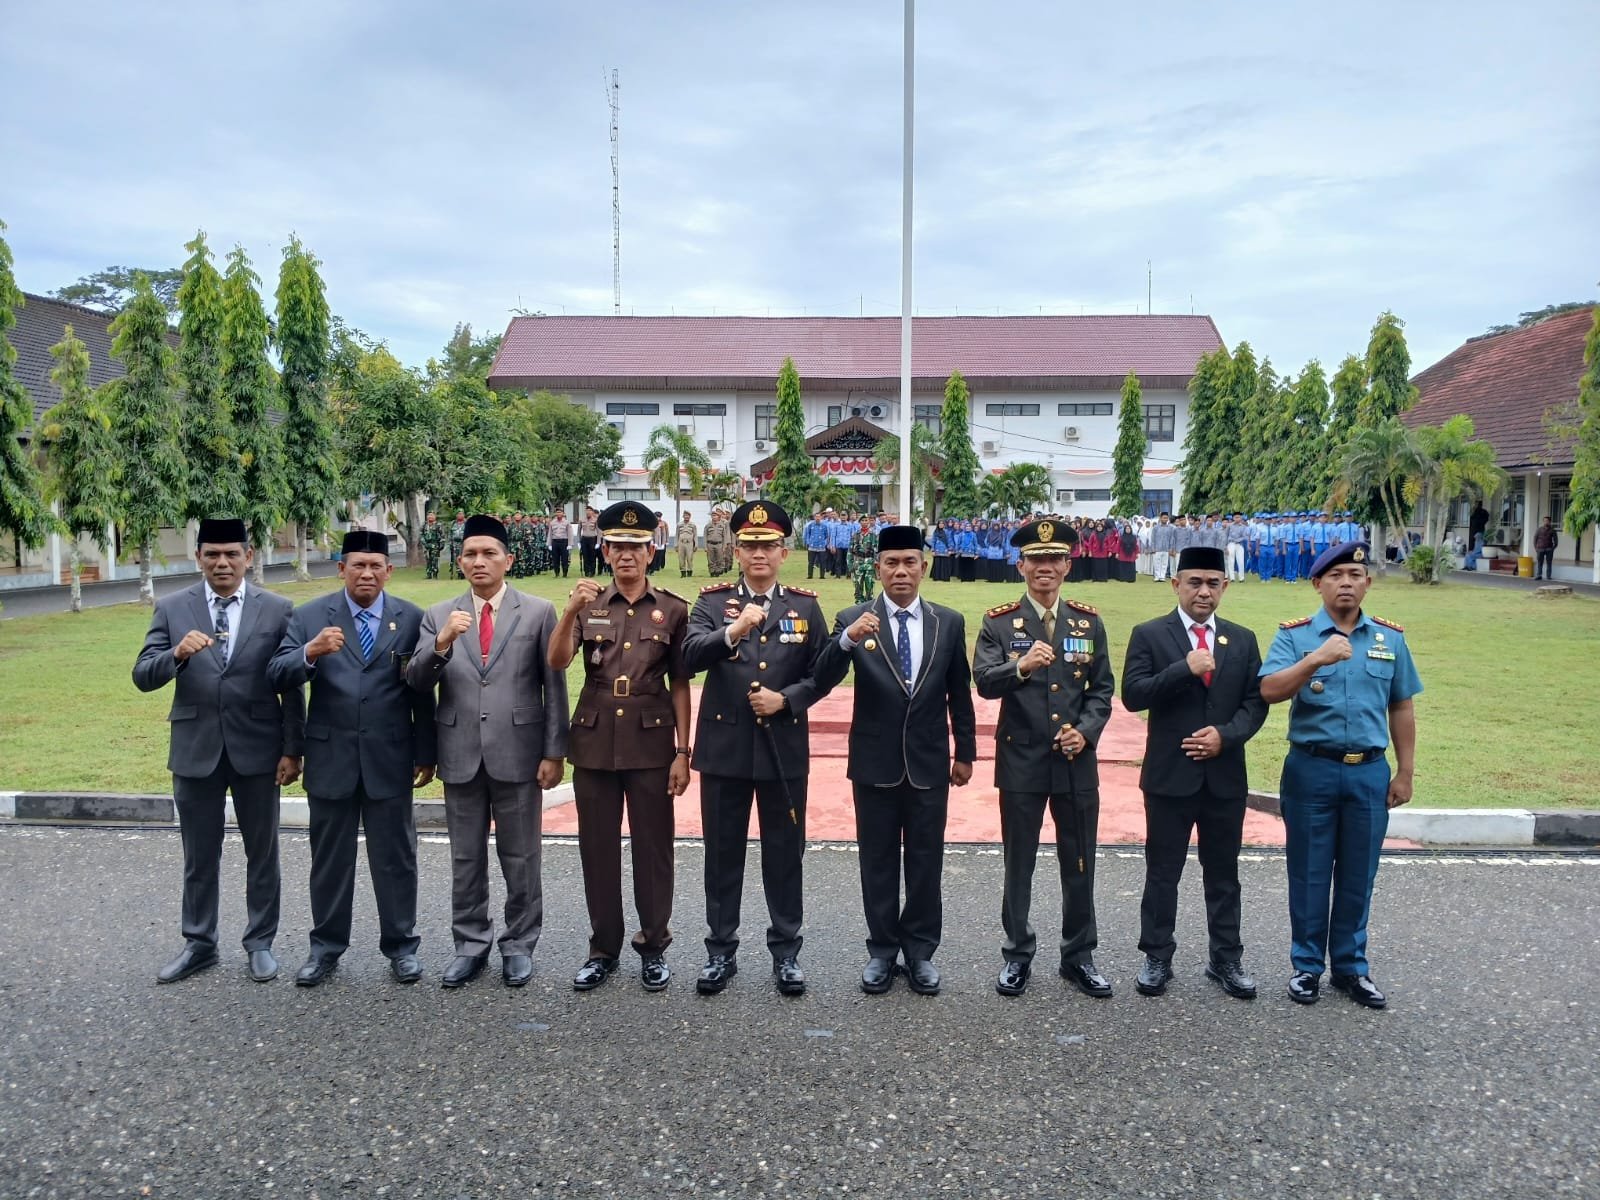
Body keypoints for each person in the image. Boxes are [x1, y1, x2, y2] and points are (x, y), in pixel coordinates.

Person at [133, 518, 304, 985]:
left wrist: (293, 749)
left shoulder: (277, 609)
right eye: (212, 554)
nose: (222, 563)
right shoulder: (173, 608)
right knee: (199, 854)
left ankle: (260, 943)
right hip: (196, 748)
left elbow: (290, 685)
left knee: (262, 852)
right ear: (198, 558)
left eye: (231, 554)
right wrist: (176, 655)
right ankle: (199, 943)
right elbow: (143, 675)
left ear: (249, 556)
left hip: (259, 748)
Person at [406, 515, 569, 989]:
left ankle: (519, 945)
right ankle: (470, 945)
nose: (479, 562)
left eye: (489, 554)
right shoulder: (438, 615)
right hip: (459, 750)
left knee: (522, 856)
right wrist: (441, 643)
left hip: (519, 752)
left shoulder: (537, 611)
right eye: (470, 555)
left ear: (508, 560)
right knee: (465, 858)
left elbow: (554, 686)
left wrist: (554, 752)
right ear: (460, 562)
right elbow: (416, 681)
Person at [814, 526, 977, 996]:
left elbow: (959, 692)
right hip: (874, 762)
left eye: (909, 562)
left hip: (929, 762)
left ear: (924, 567)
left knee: (926, 861)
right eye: (891, 563)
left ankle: (920, 952)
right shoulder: (854, 618)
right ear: (878, 568)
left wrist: (965, 752)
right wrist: (846, 639)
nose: (900, 571)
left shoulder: (948, 622)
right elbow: (821, 676)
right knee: (878, 860)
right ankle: (883, 951)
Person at [268, 531, 435, 987]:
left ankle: (401, 946)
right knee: (329, 860)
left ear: (389, 571)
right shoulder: (309, 616)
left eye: (375, 565)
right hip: (331, 756)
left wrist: (425, 751)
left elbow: (421, 689)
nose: (367, 573)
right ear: (341, 568)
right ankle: (325, 948)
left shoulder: (411, 617)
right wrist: (310, 652)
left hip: (390, 756)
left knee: (396, 858)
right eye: (357, 565)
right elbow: (277, 674)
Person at [1259, 540, 1422, 1009]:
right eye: (1335, 576)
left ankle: (1351, 967)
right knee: (1309, 872)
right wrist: (1315, 658)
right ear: (1317, 584)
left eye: (1354, 575)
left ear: (1367, 583)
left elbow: (1402, 706)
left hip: (1368, 772)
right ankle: (1307, 966)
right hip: (1311, 768)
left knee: (1358, 873)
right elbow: (1269, 690)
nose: (1345, 583)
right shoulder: (1295, 636)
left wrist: (1405, 772)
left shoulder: (1389, 639)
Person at [683, 501, 831, 996]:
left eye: (769, 545)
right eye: (749, 545)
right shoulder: (712, 602)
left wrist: (786, 700)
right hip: (724, 748)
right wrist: (733, 630)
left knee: (785, 854)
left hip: (782, 749)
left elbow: (823, 673)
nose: (759, 554)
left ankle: (786, 952)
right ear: (736, 551)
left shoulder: (804, 607)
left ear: (784, 552)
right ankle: (720, 951)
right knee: (722, 855)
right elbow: (687, 658)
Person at [550, 500, 692, 992]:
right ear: (605, 551)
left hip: (651, 742)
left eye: (636, 546)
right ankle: (602, 950)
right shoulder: (587, 604)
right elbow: (557, 660)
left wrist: (683, 752)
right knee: (597, 849)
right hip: (593, 741)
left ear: (651, 552)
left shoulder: (673, 609)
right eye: (617, 546)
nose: (626, 554)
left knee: (653, 849)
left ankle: (653, 947)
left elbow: (680, 684)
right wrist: (570, 611)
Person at [973, 518, 1115, 998]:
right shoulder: (999, 622)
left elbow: (1102, 690)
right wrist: (1021, 665)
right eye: (1036, 559)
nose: (1045, 567)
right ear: (1021, 566)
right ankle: (1017, 954)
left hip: (1075, 762)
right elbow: (983, 682)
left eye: (1054, 559)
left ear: (1067, 565)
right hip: (1021, 761)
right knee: (1020, 863)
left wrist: (1086, 732)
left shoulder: (1087, 622)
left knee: (1080, 861)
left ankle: (1079, 956)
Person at [1121, 544, 1267, 1000]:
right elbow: (1133, 694)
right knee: (1163, 872)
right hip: (1170, 776)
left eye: (1213, 584)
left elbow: (1255, 703)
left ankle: (1226, 958)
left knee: (1223, 872)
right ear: (1176, 584)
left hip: (1224, 776)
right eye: (1195, 583)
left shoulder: (1241, 639)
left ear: (1225, 586)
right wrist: (1183, 668)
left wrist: (1226, 736)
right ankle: (1156, 956)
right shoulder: (1150, 634)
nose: (1204, 592)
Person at [849, 515, 879, 605]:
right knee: (858, 584)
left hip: (870, 564)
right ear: (860, 522)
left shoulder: (873, 535)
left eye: (866, 520)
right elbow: (850, 551)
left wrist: (877, 563)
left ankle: (869, 603)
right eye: (862, 520)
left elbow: (877, 551)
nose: (864, 522)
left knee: (869, 584)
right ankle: (859, 603)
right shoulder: (855, 535)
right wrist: (850, 564)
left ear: (869, 522)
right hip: (858, 563)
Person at [704, 507, 732, 577]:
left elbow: (724, 536)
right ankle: (712, 572)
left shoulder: (722, 526)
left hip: (719, 544)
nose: (714, 517)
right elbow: (705, 536)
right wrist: (705, 547)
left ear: (718, 517)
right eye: (713, 516)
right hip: (710, 544)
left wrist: (724, 546)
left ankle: (718, 572)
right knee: (711, 559)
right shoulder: (707, 526)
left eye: (715, 516)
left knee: (719, 559)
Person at [420, 511, 445, 580]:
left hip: (435, 545)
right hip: (427, 545)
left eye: (432, 515)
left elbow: (442, 535)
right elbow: (421, 534)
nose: (430, 517)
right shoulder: (424, 525)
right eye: (429, 515)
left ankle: (435, 575)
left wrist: (442, 544)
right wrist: (424, 543)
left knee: (435, 560)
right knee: (428, 560)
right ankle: (428, 574)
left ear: (435, 517)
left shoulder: (438, 525)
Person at [548, 509, 572, 578]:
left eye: (560, 512)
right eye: (557, 512)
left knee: (564, 559)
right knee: (555, 559)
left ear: (563, 513)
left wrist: (570, 544)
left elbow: (570, 533)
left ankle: (565, 573)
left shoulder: (566, 522)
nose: (558, 514)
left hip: (564, 541)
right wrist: (549, 544)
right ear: (555, 514)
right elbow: (550, 533)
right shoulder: (552, 522)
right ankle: (557, 573)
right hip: (555, 541)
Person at [578, 505, 601, 576]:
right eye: (587, 511)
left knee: (592, 556)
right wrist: (579, 541)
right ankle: (586, 571)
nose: (588, 512)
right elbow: (579, 531)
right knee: (585, 556)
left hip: (592, 539)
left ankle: (592, 571)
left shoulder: (595, 520)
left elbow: (599, 531)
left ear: (592, 512)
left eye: (589, 511)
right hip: (584, 539)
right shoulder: (582, 520)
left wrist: (598, 543)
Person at [676, 512, 698, 578]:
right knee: (681, 558)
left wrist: (696, 544)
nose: (686, 517)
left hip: (689, 543)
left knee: (689, 558)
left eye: (688, 515)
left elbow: (695, 535)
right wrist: (676, 545)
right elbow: (677, 535)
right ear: (683, 516)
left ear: (690, 516)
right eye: (685, 515)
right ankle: (683, 573)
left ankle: (689, 572)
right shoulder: (679, 524)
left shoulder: (693, 525)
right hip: (681, 543)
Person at [448, 509, 466, 580]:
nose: (460, 515)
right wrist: (450, 543)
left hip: (464, 544)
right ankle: (459, 573)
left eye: (461, 514)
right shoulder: (453, 523)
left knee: (464, 558)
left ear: (464, 515)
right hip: (455, 544)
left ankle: (464, 573)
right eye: (458, 514)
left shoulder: (466, 523)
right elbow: (450, 534)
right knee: (456, 559)